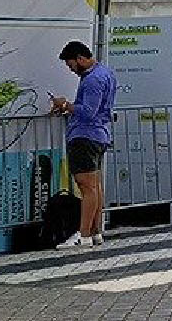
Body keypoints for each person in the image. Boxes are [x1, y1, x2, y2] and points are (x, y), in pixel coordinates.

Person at [51, 41, 117, 249]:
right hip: (100, 135)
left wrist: (65, 105)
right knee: (95, 187)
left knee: (86, 187)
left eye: (72, 65)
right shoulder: (106, 73)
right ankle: (95, 232)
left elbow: (88, 111)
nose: (72, 70)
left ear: (80, 58)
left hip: (85, 136)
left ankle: (84, 234)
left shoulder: (91, 81)